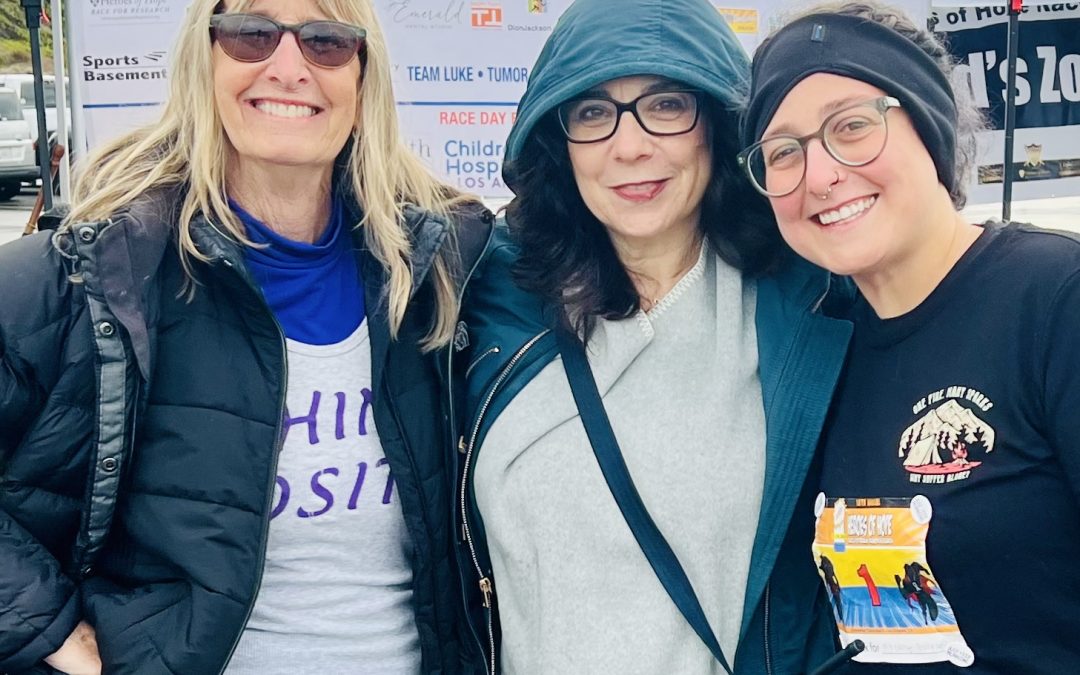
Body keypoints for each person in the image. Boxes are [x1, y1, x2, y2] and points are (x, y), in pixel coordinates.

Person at [0, 0, 490, 673]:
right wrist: (48, 629)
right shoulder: (93, 275)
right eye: (252, 34)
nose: (287, 67)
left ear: (363, 78)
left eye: (325, 41)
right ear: (204, 60)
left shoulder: (446, 267)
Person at [451, 0, 854, 672]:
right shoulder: (483, 299)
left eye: (666, 105)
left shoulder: (811, 304)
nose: (630, 145)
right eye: (592, 112)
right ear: (557, 140)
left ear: (717, 125)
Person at [739, 2, 1080, 672]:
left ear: (928, 122)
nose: (820, 175)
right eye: (783, 152)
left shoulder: (1054, 299)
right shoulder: (816, 356)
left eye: (852, 126)